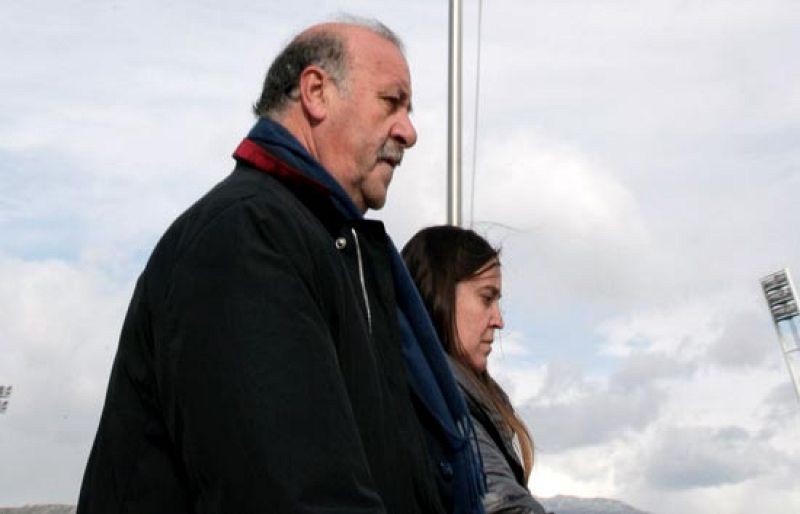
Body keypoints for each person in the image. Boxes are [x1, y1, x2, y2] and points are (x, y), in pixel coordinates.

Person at [78, 18, 485, 514]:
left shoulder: (338, 249)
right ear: (316, 92)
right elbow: (296, 494)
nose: (409, 131)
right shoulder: (243, 237)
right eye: (391, 102)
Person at [403, 226, 548, 514]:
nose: (498, 320)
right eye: (486, 298)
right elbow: (502, 506)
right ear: (441, 295)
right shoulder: (441, 406)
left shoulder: (451, 395)